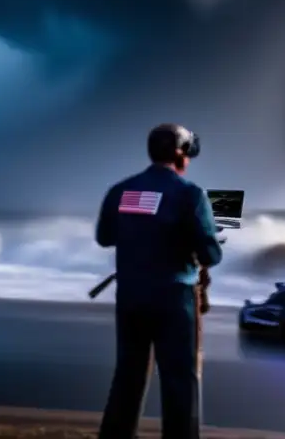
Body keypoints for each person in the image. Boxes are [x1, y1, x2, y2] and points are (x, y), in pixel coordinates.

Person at [95, 123, 224, 439]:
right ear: (181, 154)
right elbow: (210, 255)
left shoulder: (121, 190)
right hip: (174, 298)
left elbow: (104, 237)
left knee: (128, 373)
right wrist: (210, 239)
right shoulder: (190, 194)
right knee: (179, 377)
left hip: (130, 296)